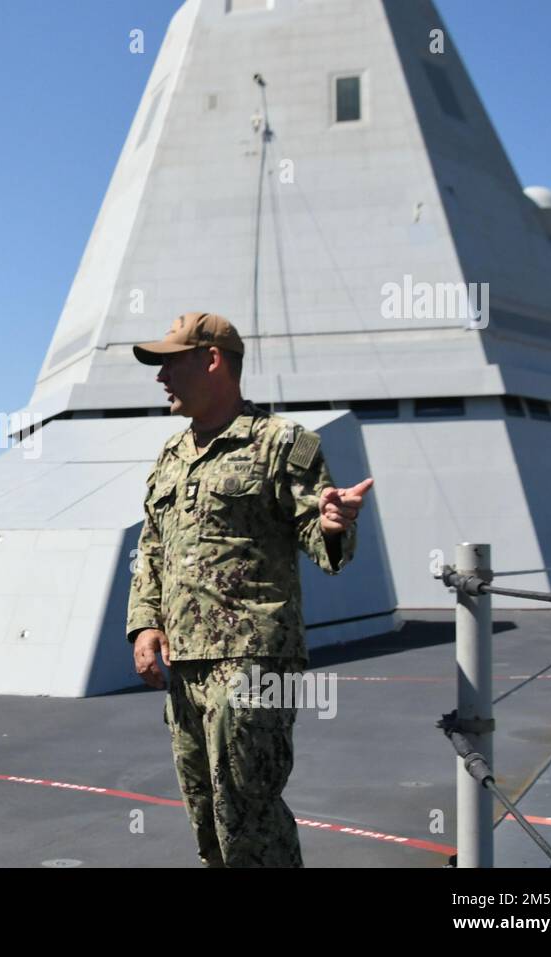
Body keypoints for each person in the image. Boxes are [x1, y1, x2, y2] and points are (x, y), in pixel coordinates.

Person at [125, 312, 373, 867]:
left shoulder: (282, 443)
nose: (161, 376)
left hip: (251, 661)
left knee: (248, 810)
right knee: (206, 813)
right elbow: (151, 549)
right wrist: (145, 624)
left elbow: (323, 544)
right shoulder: (172, 455)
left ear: (212, 360)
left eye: (171, 362)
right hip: (185, 659)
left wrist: (335, 526)